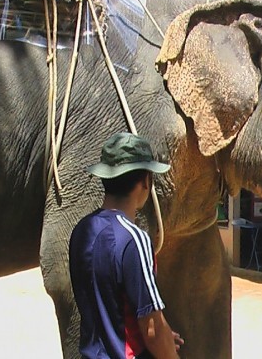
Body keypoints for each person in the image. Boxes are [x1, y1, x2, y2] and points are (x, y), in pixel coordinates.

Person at [69, 132, 184, 359]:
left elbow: (108, 309)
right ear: (146, 181)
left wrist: (163, 334)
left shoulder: (81, 231)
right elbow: (152, 330)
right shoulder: (134, 240)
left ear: (105, 179)